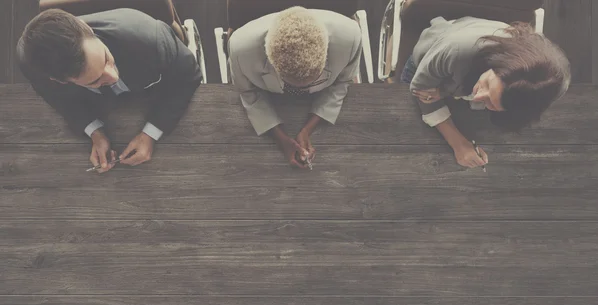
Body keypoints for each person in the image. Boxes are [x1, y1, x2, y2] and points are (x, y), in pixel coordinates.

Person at [17, 8, 202, 172]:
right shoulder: (37, 70)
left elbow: (188, 75)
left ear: (86, 27)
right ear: (58, 81)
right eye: (95, 80)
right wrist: (95, 132)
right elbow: (61, 101)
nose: (113, 77)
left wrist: (151, 133)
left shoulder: (148, 37)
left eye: (105, 58)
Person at [401, 17, 570, 168]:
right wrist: (458, 144)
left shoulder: (551, 83)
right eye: (488, 84)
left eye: (491, 103)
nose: (477, 97)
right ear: (496, 65)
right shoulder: (457, 49)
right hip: (427, 59)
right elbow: (420, 89)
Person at [228, 7, 362, 169]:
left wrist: (307, 129)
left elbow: (343, 82)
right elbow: (248, 92)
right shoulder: (240, 51)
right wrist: (281, 138)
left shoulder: (351, 39)